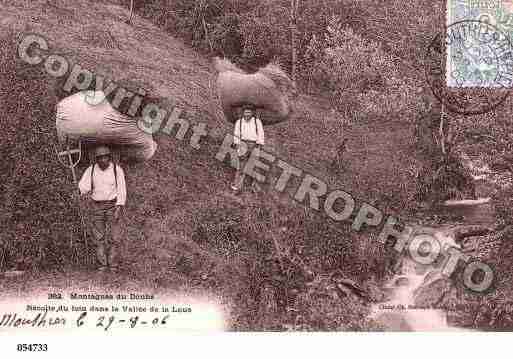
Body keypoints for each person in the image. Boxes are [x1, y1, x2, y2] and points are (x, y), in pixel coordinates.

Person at [78, 145, 126, 271]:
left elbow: (122, 189)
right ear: (96, 159)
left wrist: (119, 207)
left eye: (105, 157)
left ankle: (113, 264)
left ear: (109, 158)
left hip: (113, 205)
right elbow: (84, 186)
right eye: (99, 158)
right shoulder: (91, 169)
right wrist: (79, 190)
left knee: (115, 236)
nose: (102, 160)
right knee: (98, 237)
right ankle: (102, 265)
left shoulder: (117, 170)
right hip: (97, 206)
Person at [232, 104, 265, 193]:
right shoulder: (239, 122)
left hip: (254, 144)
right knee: (241, 166)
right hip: (243, 144)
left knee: (255, 166)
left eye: (249, 112)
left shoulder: (256, 121)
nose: (247, 114)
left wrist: (258, 145)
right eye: (246, 112)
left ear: (252, 113)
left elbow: (261, 133)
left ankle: (255, 188)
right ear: (243, 113)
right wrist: (238, 145)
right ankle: (237, 188)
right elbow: (236, 134)